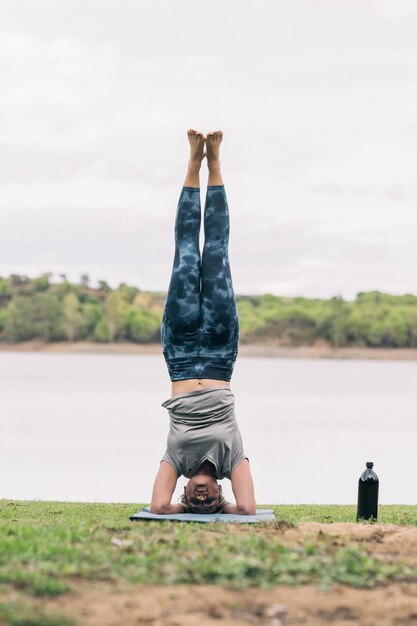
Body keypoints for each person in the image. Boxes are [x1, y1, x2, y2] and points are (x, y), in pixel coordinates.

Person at [150, 129, 256, 515]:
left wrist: (182, 513)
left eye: (195, 501)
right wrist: (224, 512)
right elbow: (247, 509)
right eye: (208, 500)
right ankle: (216, 164)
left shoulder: (175, 460)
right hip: (218, 351)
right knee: (215, 250)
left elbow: (158, 506)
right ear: (218, 493)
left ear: (185, 493)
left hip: (179, 352)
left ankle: (193, 163)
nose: (201, 496)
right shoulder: (233, 458)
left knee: (185, 254)